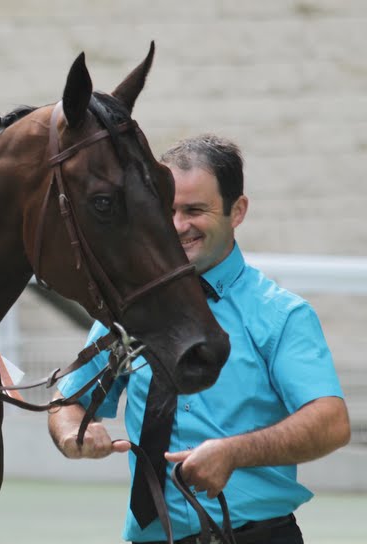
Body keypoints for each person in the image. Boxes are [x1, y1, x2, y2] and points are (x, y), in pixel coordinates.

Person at [48, 134, 351, 544]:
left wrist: (234, 452)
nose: (176, 225)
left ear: (237, 210)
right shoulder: (127, 311)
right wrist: (72, 433)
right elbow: (68, 404)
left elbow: (331, 422)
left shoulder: (280, 315)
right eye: (166, 209)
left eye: (194, 210)